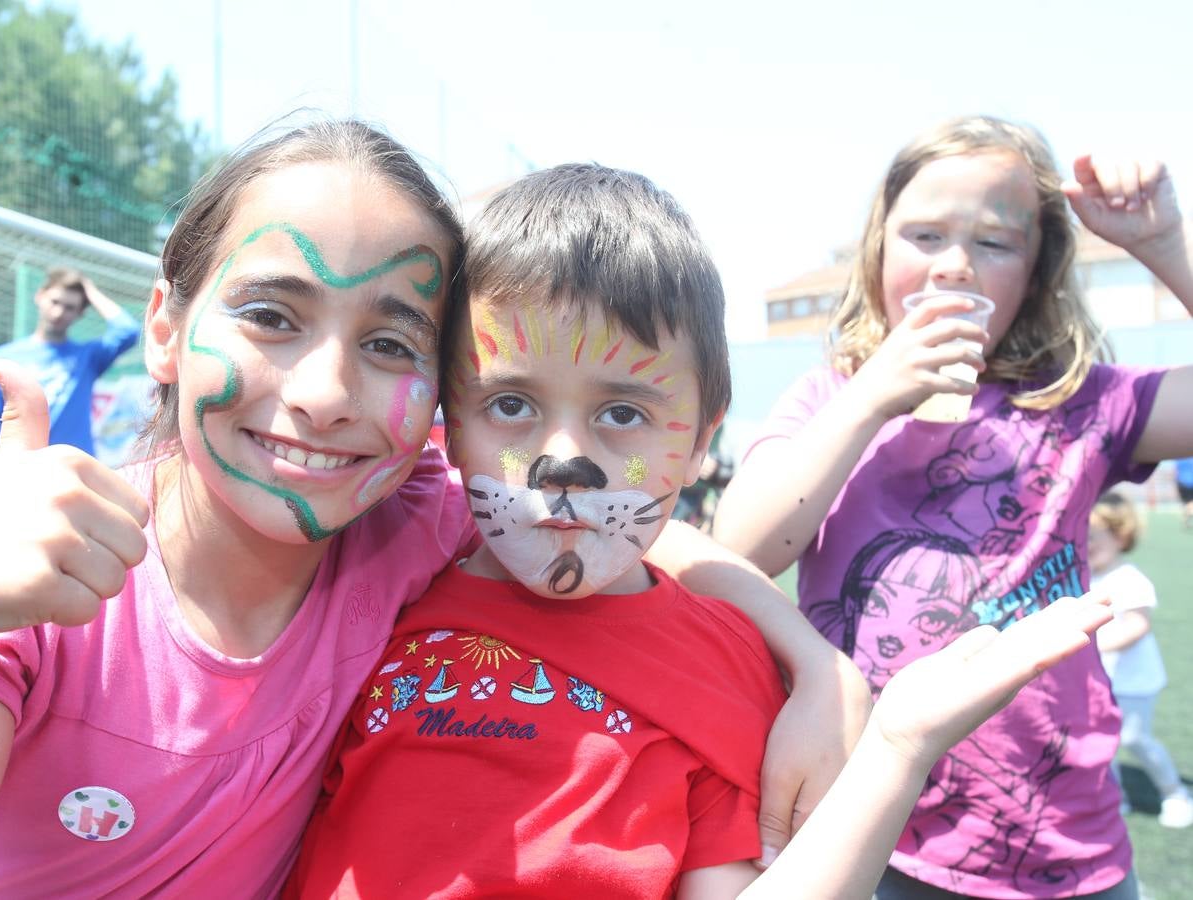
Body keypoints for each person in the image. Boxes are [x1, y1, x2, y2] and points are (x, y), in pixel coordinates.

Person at [0, 120, 869, 899]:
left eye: (390, 342)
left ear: (438, 399)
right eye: (271, 315)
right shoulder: (45, 597)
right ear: (165, 325)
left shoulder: (409, 524)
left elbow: (629, 525)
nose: (327, 391)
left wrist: (814, 663)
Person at [288, 163, 1115, 899]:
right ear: (449, 422)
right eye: (511, 404)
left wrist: (897, 752)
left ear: (698, 439)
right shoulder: (376, 561)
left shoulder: (724, 667)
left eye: (623, 412)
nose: (564, 460)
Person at [712, 115, 1193, 899]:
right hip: (870, 834)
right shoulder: (829, 397)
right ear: (878, 248)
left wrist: (1166, 242)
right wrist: (872, 396)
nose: (955, 267)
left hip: (1065, 844)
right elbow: (743, 549)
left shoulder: (1079, 404)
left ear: (1037, 274)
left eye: (996, 243)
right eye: (925, 235)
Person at [0, 268, 142, 489]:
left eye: (70, 307)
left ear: (80, 313)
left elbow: (128, 330)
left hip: (75, 476)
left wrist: (89, 290)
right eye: (55, 301)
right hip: (21, 476)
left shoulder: (87, 358)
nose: (59, 312)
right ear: (40, 296)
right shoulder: (6, 357)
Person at [1090, 491, 1193, 829]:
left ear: (1120, 536)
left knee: (1134, 739)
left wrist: (1094, 646)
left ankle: (1175, 792)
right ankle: (1117, 798)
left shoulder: (1129, 579)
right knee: (1102, 743)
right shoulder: (1087, 577)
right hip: (1099, 681)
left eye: (1094, 536)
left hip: (1134, 682)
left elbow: (1137, 626)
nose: (1086, 544)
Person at [1174, 456, 1193, 528]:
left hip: (1181, 482)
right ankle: (1188, 514)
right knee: (1190, 503)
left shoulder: (1179, 458)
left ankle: (1185, 518)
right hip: (1190, 483)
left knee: (1186, 503)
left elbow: (1176, 472)